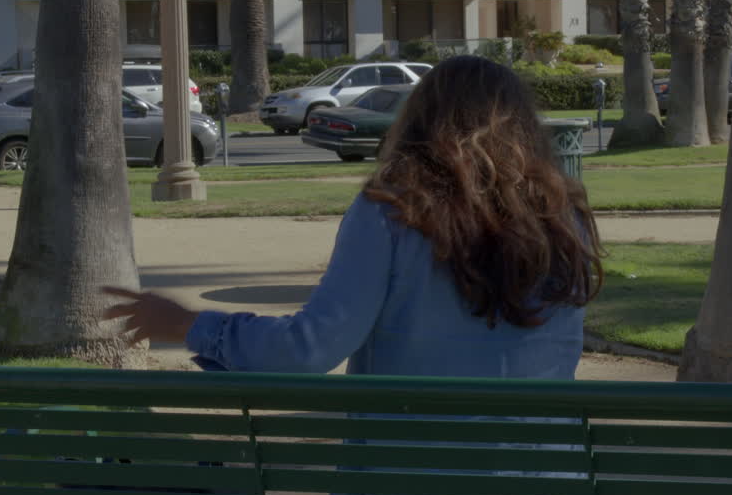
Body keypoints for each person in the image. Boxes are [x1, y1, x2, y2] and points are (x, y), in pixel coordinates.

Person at [102, 54, 603, 378]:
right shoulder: (564, 219)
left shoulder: (392, 212)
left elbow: (309, 350)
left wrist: (190, 324)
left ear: (420, 120)